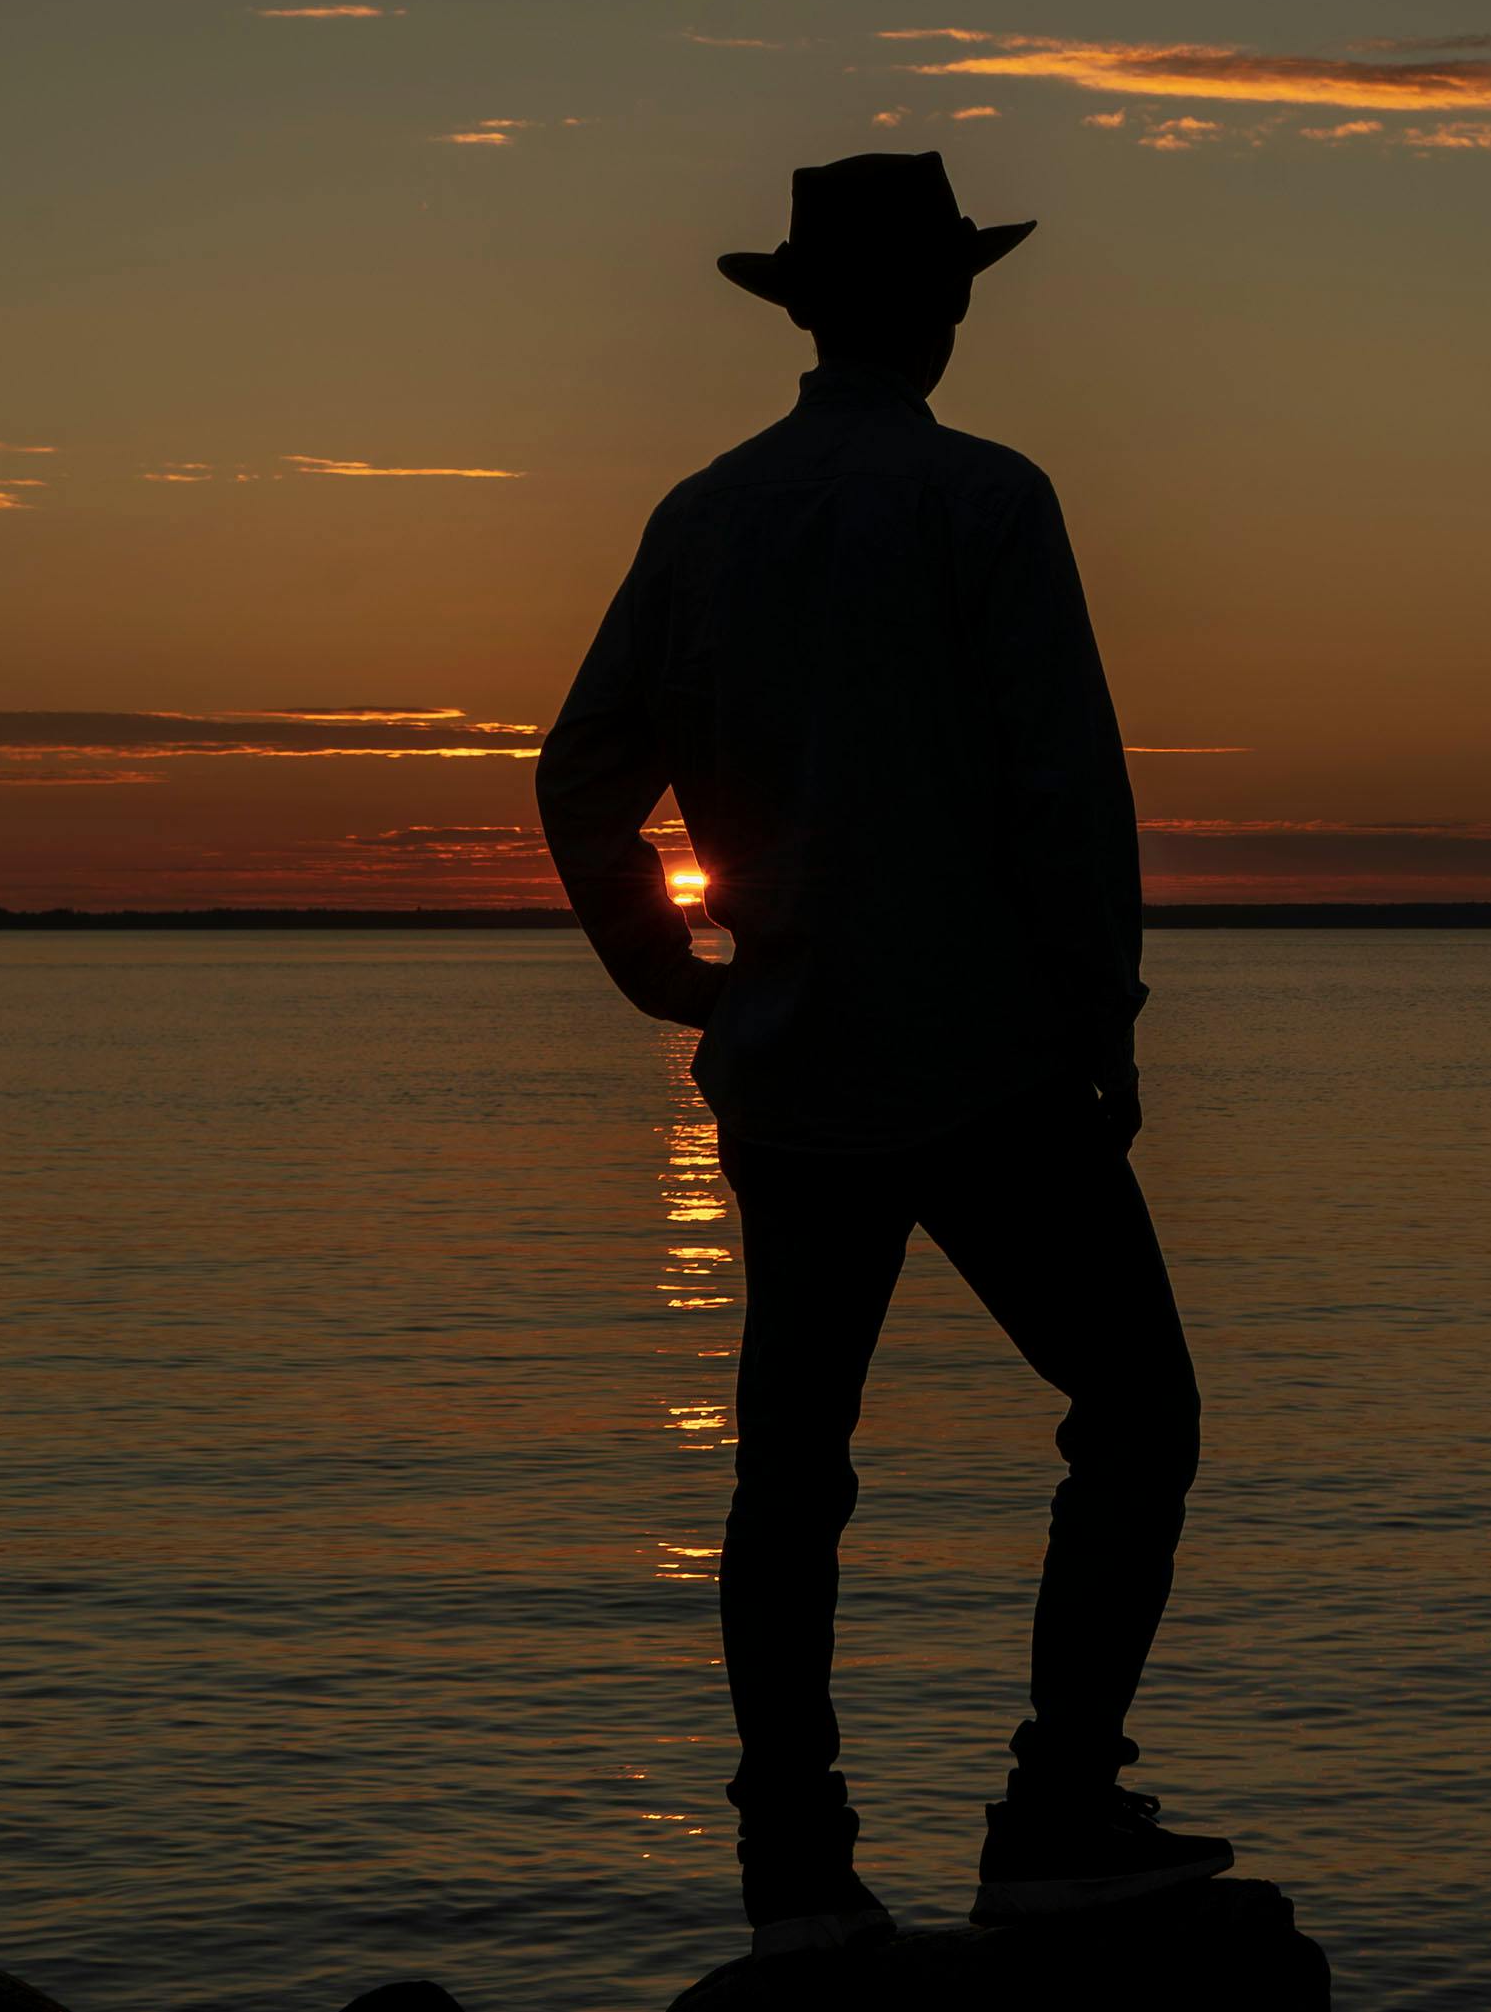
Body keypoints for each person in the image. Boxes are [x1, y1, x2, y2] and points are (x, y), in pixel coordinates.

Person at [535, 151, 1230, 1956]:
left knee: (793, 1470)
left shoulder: (707, 514)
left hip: (792, 1068)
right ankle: (1057, 1806)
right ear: (945, 304)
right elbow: (1064, 784)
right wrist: (1106, 1018)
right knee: (1138, 1415)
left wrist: (668, 972)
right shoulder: (983, 500)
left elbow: (583, 771)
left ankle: (797, 1872)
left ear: (804, 311)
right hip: (991, 1060)